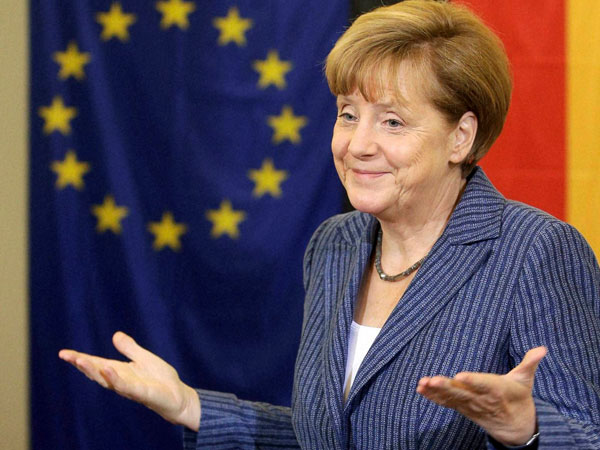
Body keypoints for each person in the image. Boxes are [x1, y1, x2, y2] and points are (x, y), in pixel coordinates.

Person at [59, 1, 600, 448]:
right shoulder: (335, 245)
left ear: (460, 136)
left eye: (392, 121)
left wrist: (526, 432)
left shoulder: (537, 251)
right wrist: (189, 405)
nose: (357, 144)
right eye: (347, 113)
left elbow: (587, 435)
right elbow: (329, 436)